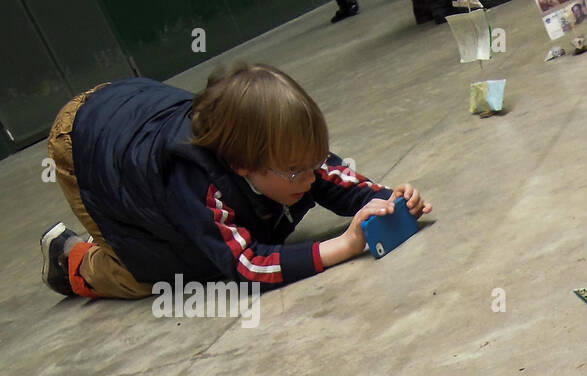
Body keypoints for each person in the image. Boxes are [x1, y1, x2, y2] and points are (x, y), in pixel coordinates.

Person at [41, 64, 431, 299]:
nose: (312, 177)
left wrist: (388, 199)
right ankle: (70, 258)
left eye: (313, 161)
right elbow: (245, 267)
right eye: (298, 171)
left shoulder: (282, 152)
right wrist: (344, 245)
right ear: (243, 165)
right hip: (82, 142)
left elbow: (334, 179)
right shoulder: (195, 180)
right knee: (154, 274)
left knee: (205, 233)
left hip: (128, 104)